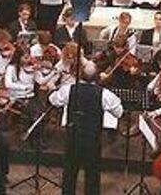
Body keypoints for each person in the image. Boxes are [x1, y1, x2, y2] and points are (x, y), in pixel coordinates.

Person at [49, 60, 123, 194]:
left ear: (80, 75)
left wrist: (53, 89)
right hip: (92, 137)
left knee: (70, 170)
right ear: (97, 77)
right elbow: (119, 112)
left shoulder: (69, 89)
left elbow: (54, 100)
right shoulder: (104, 94)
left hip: (73, 135)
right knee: (92, 172)